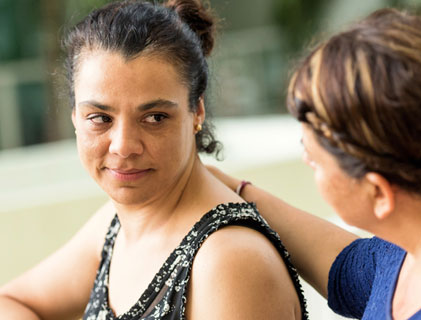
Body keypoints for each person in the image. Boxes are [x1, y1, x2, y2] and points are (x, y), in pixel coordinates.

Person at [0, 1, 307, 319]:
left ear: (196, 112)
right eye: (100, 117)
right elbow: (12, 302)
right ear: (75, 117)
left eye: (155, 117)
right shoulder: (117, 225)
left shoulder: (229, 261)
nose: (123, 146)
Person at [208, 8, 421, 320]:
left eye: (314, 160)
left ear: (379, 192)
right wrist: (232, 189)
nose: (306, 161)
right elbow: (359, 275)